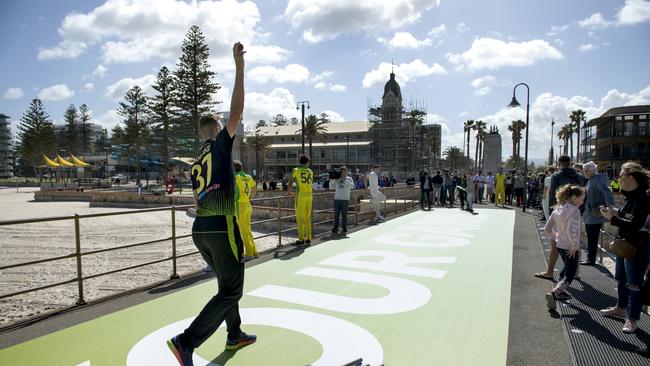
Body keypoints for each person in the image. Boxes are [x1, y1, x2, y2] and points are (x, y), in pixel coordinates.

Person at [167, 43, 256, 366]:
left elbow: (194, 200)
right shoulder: (220, 145)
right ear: (217, 130)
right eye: (223, 126)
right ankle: (185, 341)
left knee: (225, 283)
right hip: (221, 226)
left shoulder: (195, 162)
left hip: (200, 228)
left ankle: (235, 333)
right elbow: (237, 112)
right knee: (232, 290)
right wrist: (240, 67)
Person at [599, 162, 650, 333]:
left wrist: (612, 219)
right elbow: (625, 216)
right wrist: (612, 213)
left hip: (637, 247)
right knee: (620, 278)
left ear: (631, 178)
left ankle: (632, 318)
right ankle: (621, 308)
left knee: (634, 283)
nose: (618, 179)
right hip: (623, 244)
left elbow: (636, 224)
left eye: (621, 176)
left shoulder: (644, 199)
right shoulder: (628, 196)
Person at [535, 155, 587, 281]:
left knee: (556, 244)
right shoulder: (580, 177)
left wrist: (551, 214)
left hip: (561, 212)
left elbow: (553, 197)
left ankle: (549, 272)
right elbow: (585, 195)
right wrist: (580, 210)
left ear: (559, 163)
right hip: (576, 212)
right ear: (570, 163)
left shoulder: (556, 176)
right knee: (575, 243)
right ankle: (576, 273)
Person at [545, 185, 585, 311]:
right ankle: (554, 292)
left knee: (566, 267)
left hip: (560, 244)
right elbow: (572, 230)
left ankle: (560, 291)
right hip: (570, 246)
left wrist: (555, 235)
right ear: (574, 197)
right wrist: (574, 245)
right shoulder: (574, 211)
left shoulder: (558, 208)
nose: (582, 201)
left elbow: (547, 228)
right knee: (570, 274)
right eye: (581, 199)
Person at [581, 161, 614, 265]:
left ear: (593, 170)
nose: (585, 172)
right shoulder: (591, 180)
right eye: (584, 170)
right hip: (590, 214)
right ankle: (590, 258)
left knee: (592, 237)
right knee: (591, 237)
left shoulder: (596, 179)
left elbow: (606, 190)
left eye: (588, 170)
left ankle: (591, 259)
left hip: (594, 215)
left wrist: (609, 204)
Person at [234, 160, 258, 261]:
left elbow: (235, 194)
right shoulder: (248, 177)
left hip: (240, 206)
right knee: (247, 229)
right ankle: (254, 251)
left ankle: (249, 253)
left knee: (243, 231)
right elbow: (254, 189)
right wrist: (249, 198)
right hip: (248, 205)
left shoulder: (235, 177)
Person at [288, 154, 314, 245]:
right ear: (307, 162)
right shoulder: (310, 171)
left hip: (301, 196)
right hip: (309, 195)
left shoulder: (296, 170)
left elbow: (290, 182)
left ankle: (300, 239)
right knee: (308, 217)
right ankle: (308, 238)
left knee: (300, 218)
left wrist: (289, 192)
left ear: (300, 161)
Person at [331, 166, 354, 234]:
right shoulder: (337, 179)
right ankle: (336, 227)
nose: (343, 174)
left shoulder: (349, 179)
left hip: (345, 199)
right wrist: (332, 179)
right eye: (342, 172)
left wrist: (345, 180)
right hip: (337, 199)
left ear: (347, 172)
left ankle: (344, 227)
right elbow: (331, 187)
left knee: (344, 215)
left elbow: (352, 186)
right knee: (336, 215)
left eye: (344, 172)